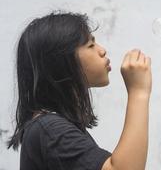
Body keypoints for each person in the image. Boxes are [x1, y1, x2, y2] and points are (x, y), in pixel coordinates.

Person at [6, 11, 152, 170]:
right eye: (90, 45)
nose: (102, 50)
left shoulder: (51, 127)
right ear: (60, 61)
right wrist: (139, 92)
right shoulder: (50, 130)